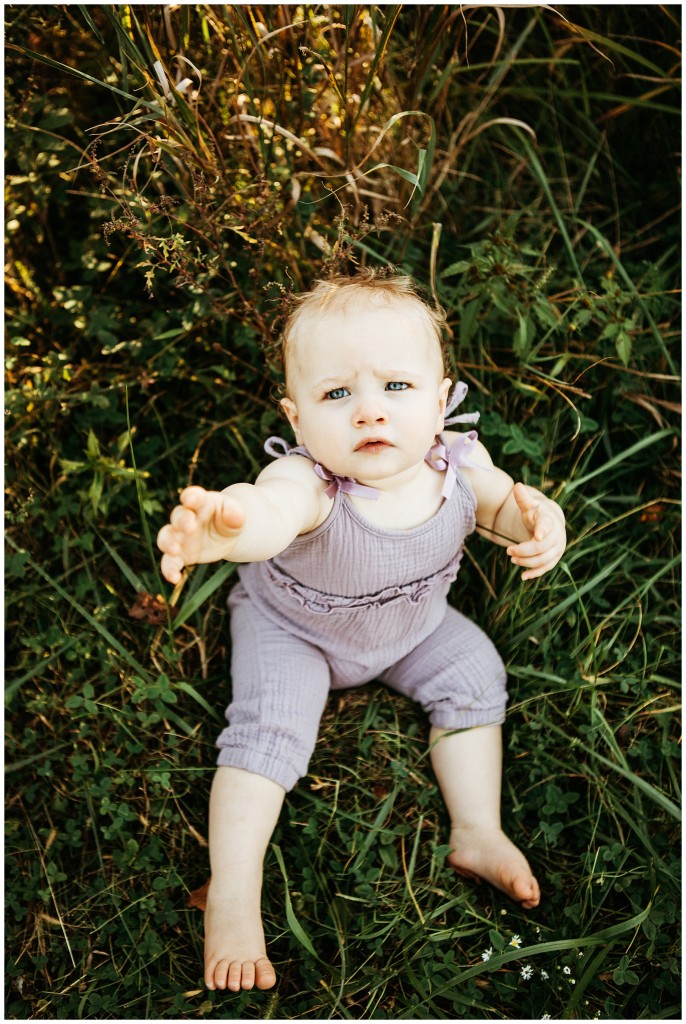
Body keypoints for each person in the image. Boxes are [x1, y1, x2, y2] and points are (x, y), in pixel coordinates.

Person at [157, 270, 567, 993]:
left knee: (475, 675)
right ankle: (233, 891)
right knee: (267, 733)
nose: (369, 412)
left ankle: (476, 829)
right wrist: (229, 527)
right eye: (337, 394)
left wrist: (542, 524)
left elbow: (507, 508)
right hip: (296, 632)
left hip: (412, 628)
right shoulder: (310, 483)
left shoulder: (461, 468)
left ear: (441, 401)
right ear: (298, 416)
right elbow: (269, 513)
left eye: (397, 388)